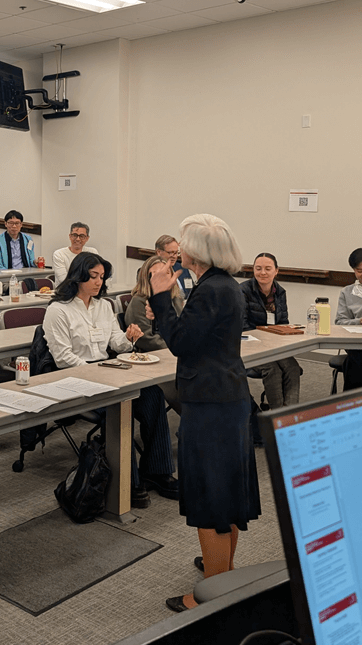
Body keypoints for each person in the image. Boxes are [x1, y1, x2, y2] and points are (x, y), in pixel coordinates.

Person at [147, 214, 260, 612]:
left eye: (185, 244)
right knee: (226, 493)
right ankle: (224, 573)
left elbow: (179, 342)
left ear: (198, 250)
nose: (181, 251)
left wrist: (162, 296)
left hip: (211, 404)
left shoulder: (211, 290)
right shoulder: (224, 285)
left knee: (210, 499)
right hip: (228, 397)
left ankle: (212, 594)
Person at [43, 252, 178, 510]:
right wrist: (101, 372)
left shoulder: (104, 306)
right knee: (120, 406)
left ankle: (157, 471)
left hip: (107, 370)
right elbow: (62, 359)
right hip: (76, 378)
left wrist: (129, 337)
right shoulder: (57, 310)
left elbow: (115, 343)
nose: (98, 282)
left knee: (153, 395)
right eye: (93, 276)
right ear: (77, 276)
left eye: (102, 277)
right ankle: (130, 483)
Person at [240, 253, 301, 408]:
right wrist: (264, 340)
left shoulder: (280, 292)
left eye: (268, 268)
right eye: (258, 268)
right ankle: (277, 417)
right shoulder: (243, 291)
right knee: (272, 370)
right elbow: (243, 326)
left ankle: (290, 413)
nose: (263, 273)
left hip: (274, 344)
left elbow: (283, 323)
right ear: (253, 270)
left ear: (276, 271)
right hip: (250, 346)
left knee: (292, 368)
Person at [125, 255, 183, 413]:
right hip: (153, 361)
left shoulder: (176, 299)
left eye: (165, 273)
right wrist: (178, 346)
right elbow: (146, 340)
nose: (161, 278)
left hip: (176, 357)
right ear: (146, 278)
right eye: (154, 275)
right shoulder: (139, 301)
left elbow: (184, 329)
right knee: (187, 392)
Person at [334, 247, 362, 392]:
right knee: (356, 359)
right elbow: (339, 322)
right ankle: (352, 404)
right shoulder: (347, 292)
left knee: (353, 363)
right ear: (354, 270)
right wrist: (358, 321)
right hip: (355, 343)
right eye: (360, 271)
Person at [155, 234, 194, 299]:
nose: (174, 256)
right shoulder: (150, 271)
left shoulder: (182, 268)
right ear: (158, 252)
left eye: (176, 253)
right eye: (170, 252)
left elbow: (191, 290)